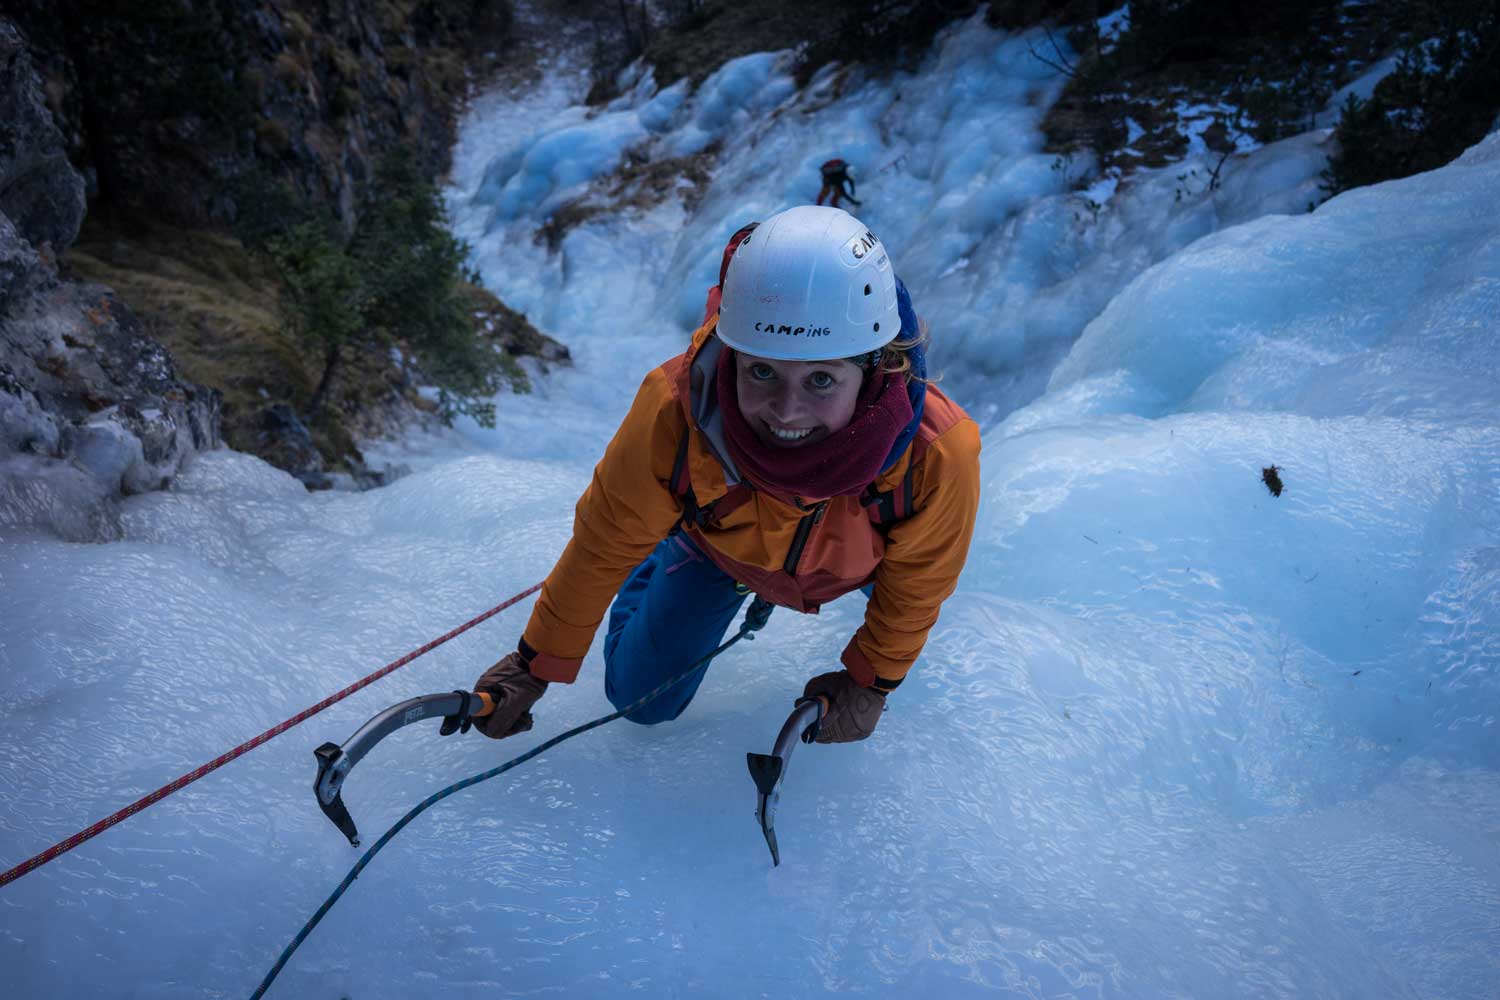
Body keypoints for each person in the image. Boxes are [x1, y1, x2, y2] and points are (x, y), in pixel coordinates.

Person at [469, 205, 980, 745]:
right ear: (731, 356)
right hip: (722, 546)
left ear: (876, 368)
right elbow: (604, 541)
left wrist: (872, 680)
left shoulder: (935, 455)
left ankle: (672, 527)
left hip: (848, 557)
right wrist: (535, 663)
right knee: (641, 701)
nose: (786, 411)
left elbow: (918, 582)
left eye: (822, 380)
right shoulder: (676, 410)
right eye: (762, 371)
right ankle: (666, 538)